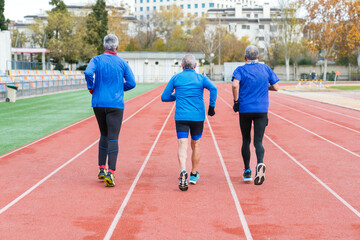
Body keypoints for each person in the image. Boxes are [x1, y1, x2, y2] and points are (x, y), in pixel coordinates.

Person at [84, 34, 136, 187]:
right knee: (113, 137)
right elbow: (132, 83)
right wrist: (120, 88)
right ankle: (111, 172)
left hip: (99, 103)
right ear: (117, 47)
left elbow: (88, 73)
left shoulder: (96, 60)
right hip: (115, 104)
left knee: (104, 134)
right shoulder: (122, 63)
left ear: (103, 47)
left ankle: (101, 168)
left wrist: (91, 87)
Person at [161, 54, 217, 191]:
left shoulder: (176, 78)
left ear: (182, 66)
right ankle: (193, 174)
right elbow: (214, 88)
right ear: (195, 66)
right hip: (197, 117)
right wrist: (212, 106)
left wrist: (176, 97)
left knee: (182, 143)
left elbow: (164, 97)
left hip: (181, 117)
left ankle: (182, 170)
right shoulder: (201, 78)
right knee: (196, 143)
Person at [232, 46, 279, 185]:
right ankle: (260, 163)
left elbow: (235, 85)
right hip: (261, 109)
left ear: (245, 57)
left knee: (246, 140)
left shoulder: (240, 69)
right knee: (258, 141)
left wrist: (236, 102)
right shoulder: (266, 69)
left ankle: (247, 171)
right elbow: (276, 87)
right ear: (258, 57)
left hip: (245, 109)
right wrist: (265, 87)